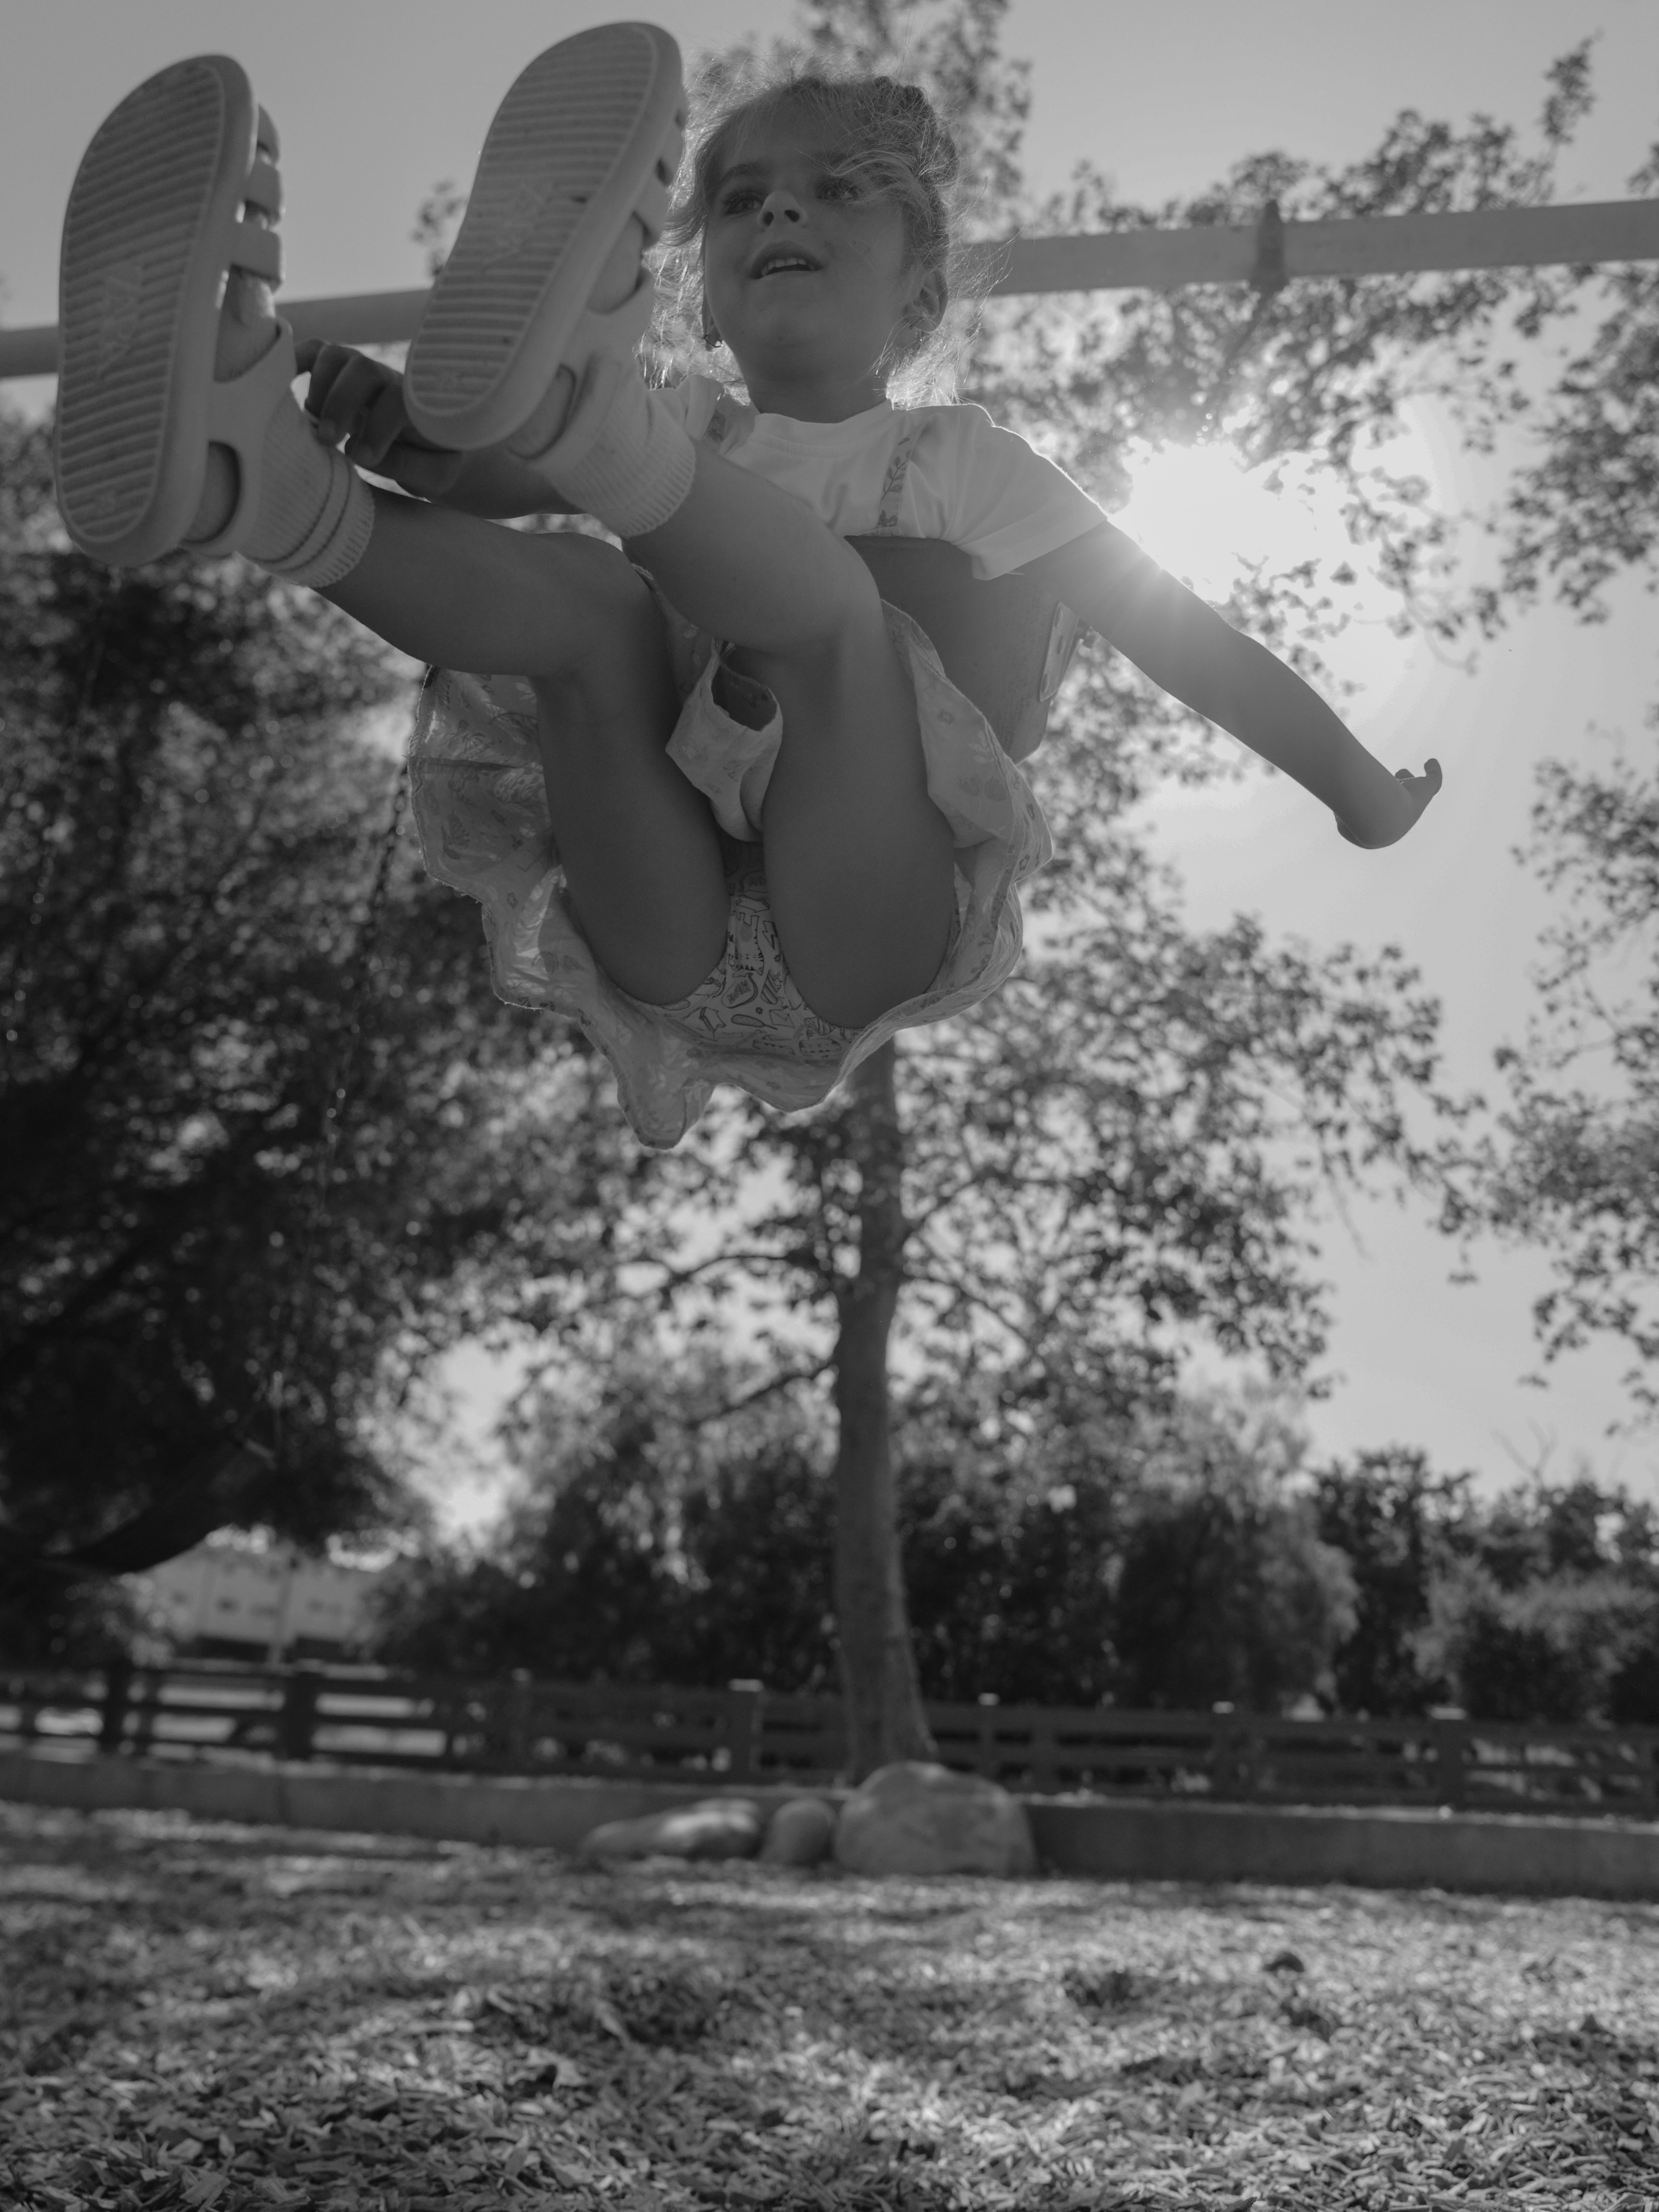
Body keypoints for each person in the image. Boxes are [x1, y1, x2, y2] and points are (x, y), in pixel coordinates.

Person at [53, 25, 1441, 1150]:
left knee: (829, 617)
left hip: (854, 927)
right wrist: (385, 427)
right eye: (737, 197)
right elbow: (468, 488)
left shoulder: (957, 464)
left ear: (917, 302)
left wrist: (1353, 784)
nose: (780, 202)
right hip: (662, 916)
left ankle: (546, 426)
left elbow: (1185, 638)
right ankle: (263, 490)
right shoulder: (687, 422)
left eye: (838, 189)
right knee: (587, 613)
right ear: (700, 299)